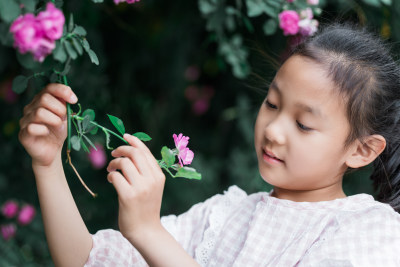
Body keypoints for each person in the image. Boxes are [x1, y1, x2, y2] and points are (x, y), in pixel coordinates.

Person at [18, 23, 400, 267]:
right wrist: (48, 164)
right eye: (272, 104)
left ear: (362, 150)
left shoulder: (371, 232)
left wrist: (149, 232)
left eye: (303, 124)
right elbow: (86, 260)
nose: (273, 131)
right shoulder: (224, 215)